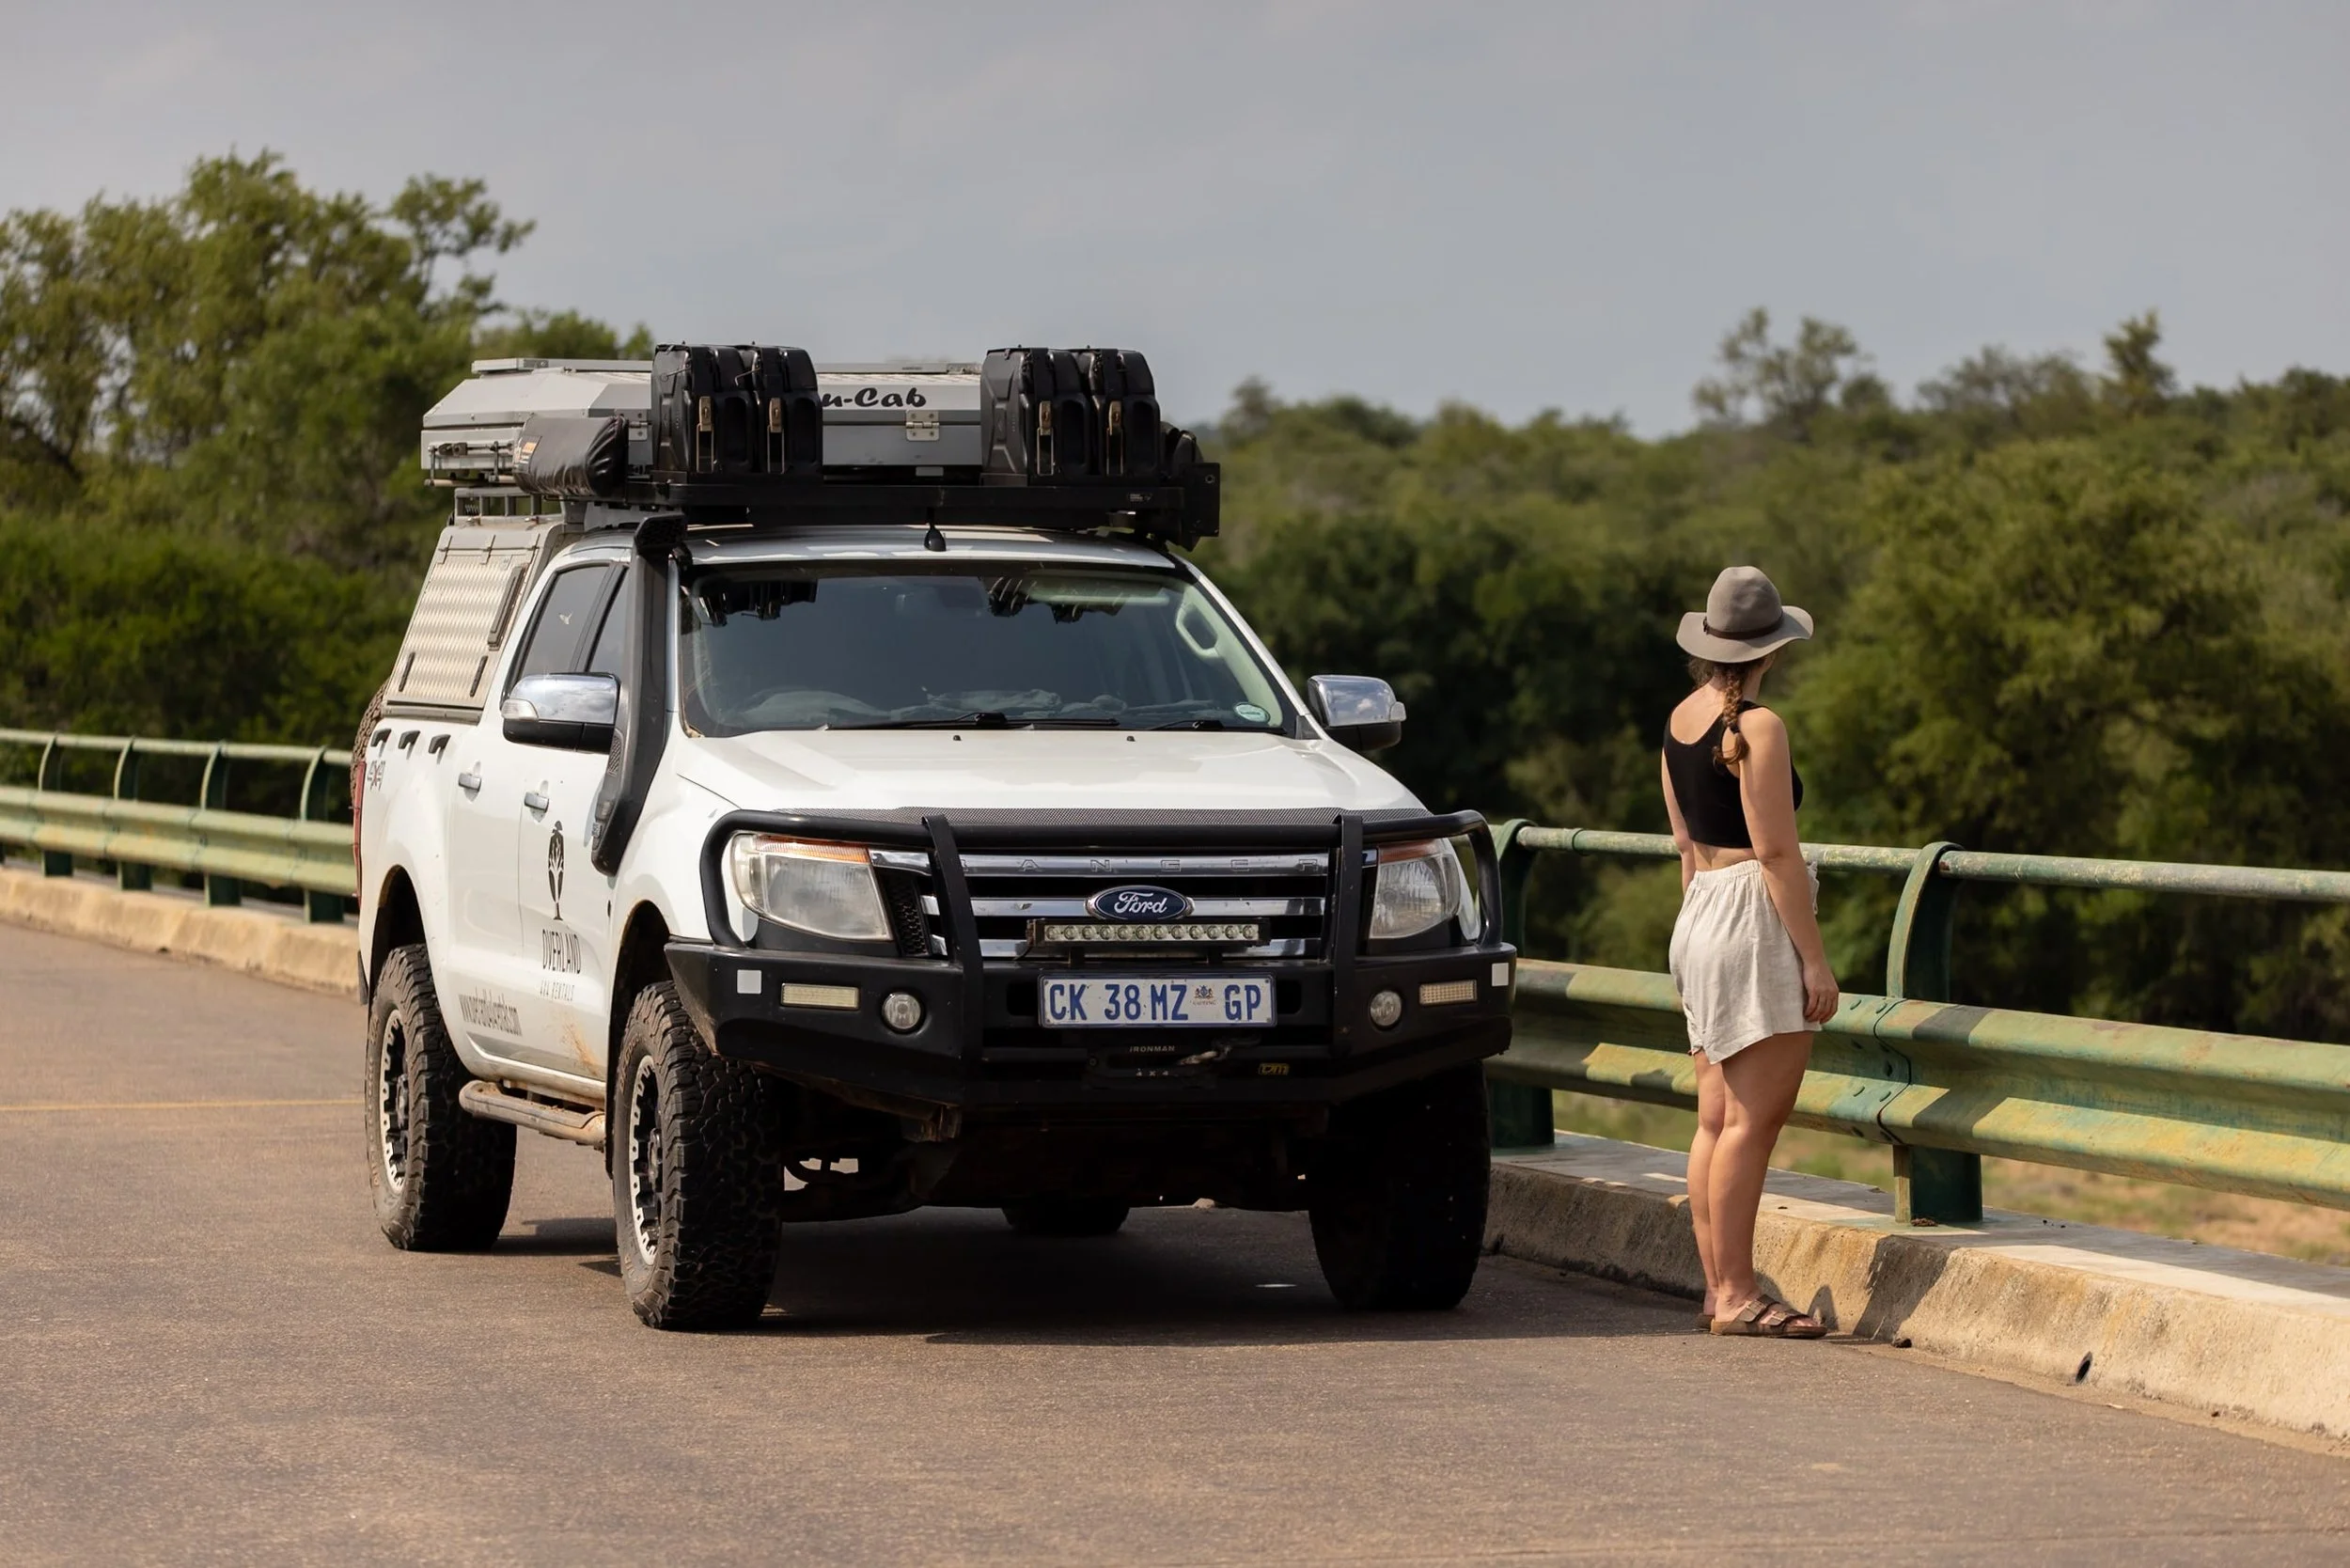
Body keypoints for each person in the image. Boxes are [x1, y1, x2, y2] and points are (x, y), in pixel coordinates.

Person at [1660, 566, 1839, 1338]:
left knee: (1715, 1120)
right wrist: (1814, 959)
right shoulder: (1759, 727)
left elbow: (1683, 845)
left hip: (1699, 912)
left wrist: (1696, 947)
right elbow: (1775, 853)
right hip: (1748, 918)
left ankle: (1718, 1288)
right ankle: (1736, 1294)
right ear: (1774, 649)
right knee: (1752, 1121)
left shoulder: (1680, 717)